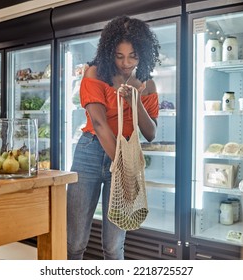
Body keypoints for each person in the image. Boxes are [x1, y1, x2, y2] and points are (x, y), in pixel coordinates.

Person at [67, 15, 161, 260]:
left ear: (142, 53)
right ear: (109, 52)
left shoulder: (146, 85)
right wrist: (120, 166)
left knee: (113, 245)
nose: (126, 63)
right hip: (91, 152)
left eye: (133, 56)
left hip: (125, 156)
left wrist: (135, 102)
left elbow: (151, 133)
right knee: (75, 241)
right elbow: (99, 124)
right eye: (119, 56)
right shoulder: (95, 73)